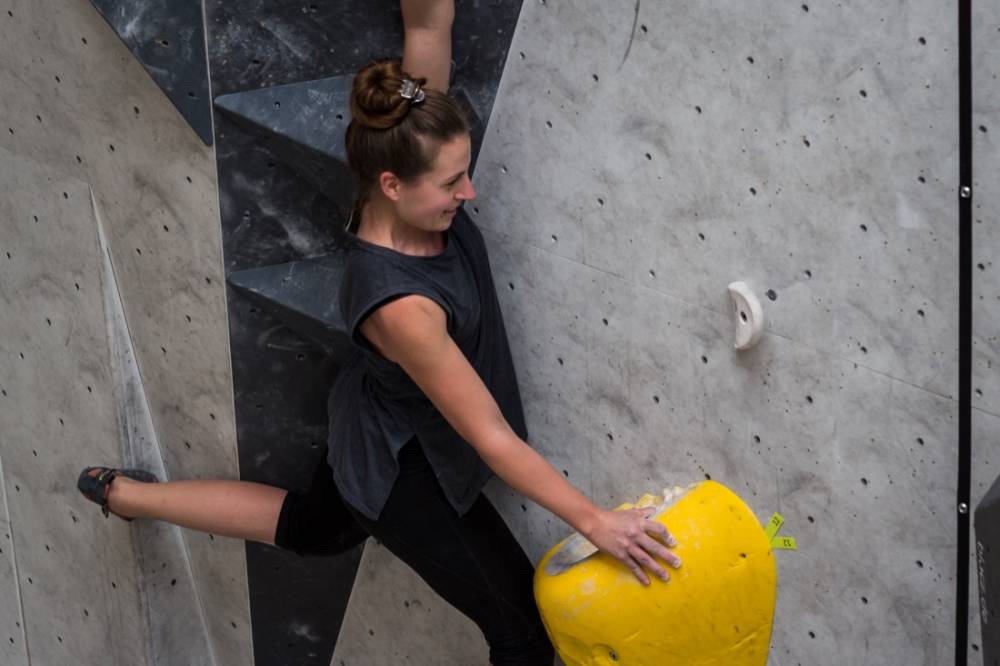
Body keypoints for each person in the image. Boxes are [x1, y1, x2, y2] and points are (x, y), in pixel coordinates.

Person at [76, 2, 682, 664]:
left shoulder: (409, 137)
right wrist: (596, 521)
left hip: (374, 419)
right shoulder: (401, 307)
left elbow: (427, 25)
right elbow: (490, 435)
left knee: (315, 527)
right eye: (452, 183)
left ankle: (127, 496)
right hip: (404, 471)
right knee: (523, 635)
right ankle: (130, 496)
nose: (469, 192)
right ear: (393, 187)